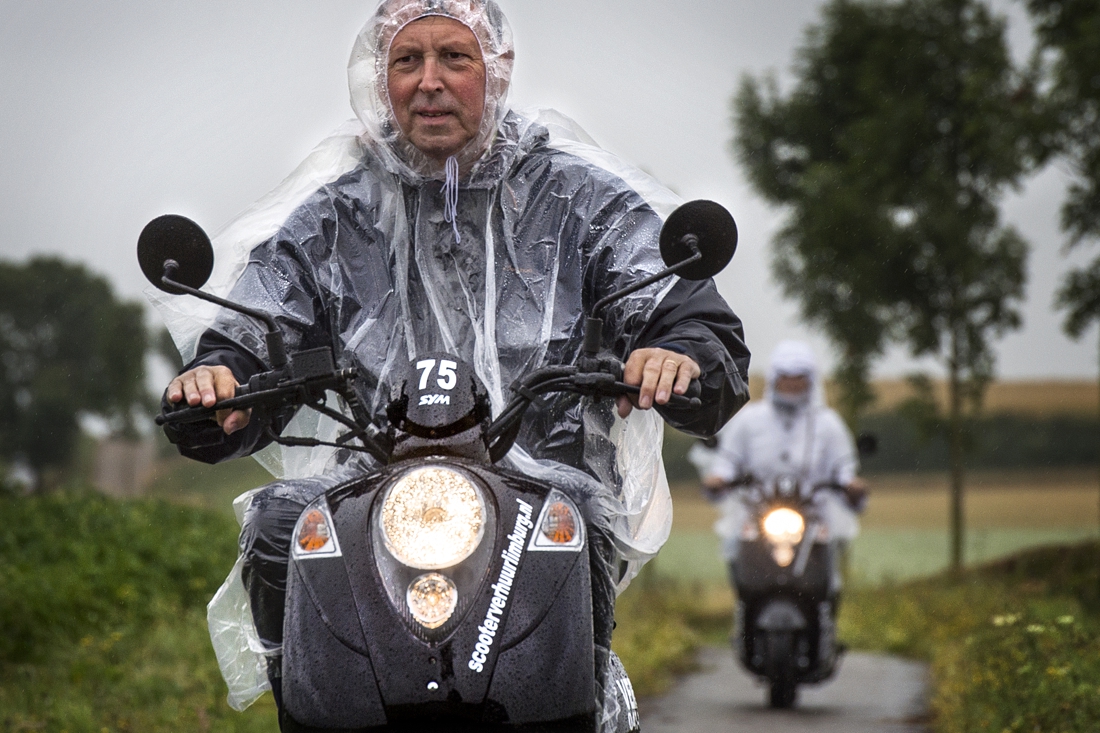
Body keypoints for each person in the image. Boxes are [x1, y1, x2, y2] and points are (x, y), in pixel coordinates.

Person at [151, 0, 750, 715]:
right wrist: (222, 376)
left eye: (454, 58)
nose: (429, 81)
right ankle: (308, 713)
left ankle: (573, 709)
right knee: (282, 524)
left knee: (572, 526)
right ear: (382, 77)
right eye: (408, 60)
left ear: (496, 69)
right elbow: (262, 322)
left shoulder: (578, 198)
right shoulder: (335, 214)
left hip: (543, 480)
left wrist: (676, 351)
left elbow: (674, 300)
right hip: (372, 484)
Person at [703, 340, 866, 563]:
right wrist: (719, 479)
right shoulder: (749, 420)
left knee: (827, 565)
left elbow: (843, 469)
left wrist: (851, 485)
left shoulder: (828, 423)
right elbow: (727, 463)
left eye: (799, 378)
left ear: (811, 381)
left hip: (812, 522)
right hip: (758, 519)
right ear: (774, 379)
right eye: (786, 377)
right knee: (739, 552)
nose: (792, 384)